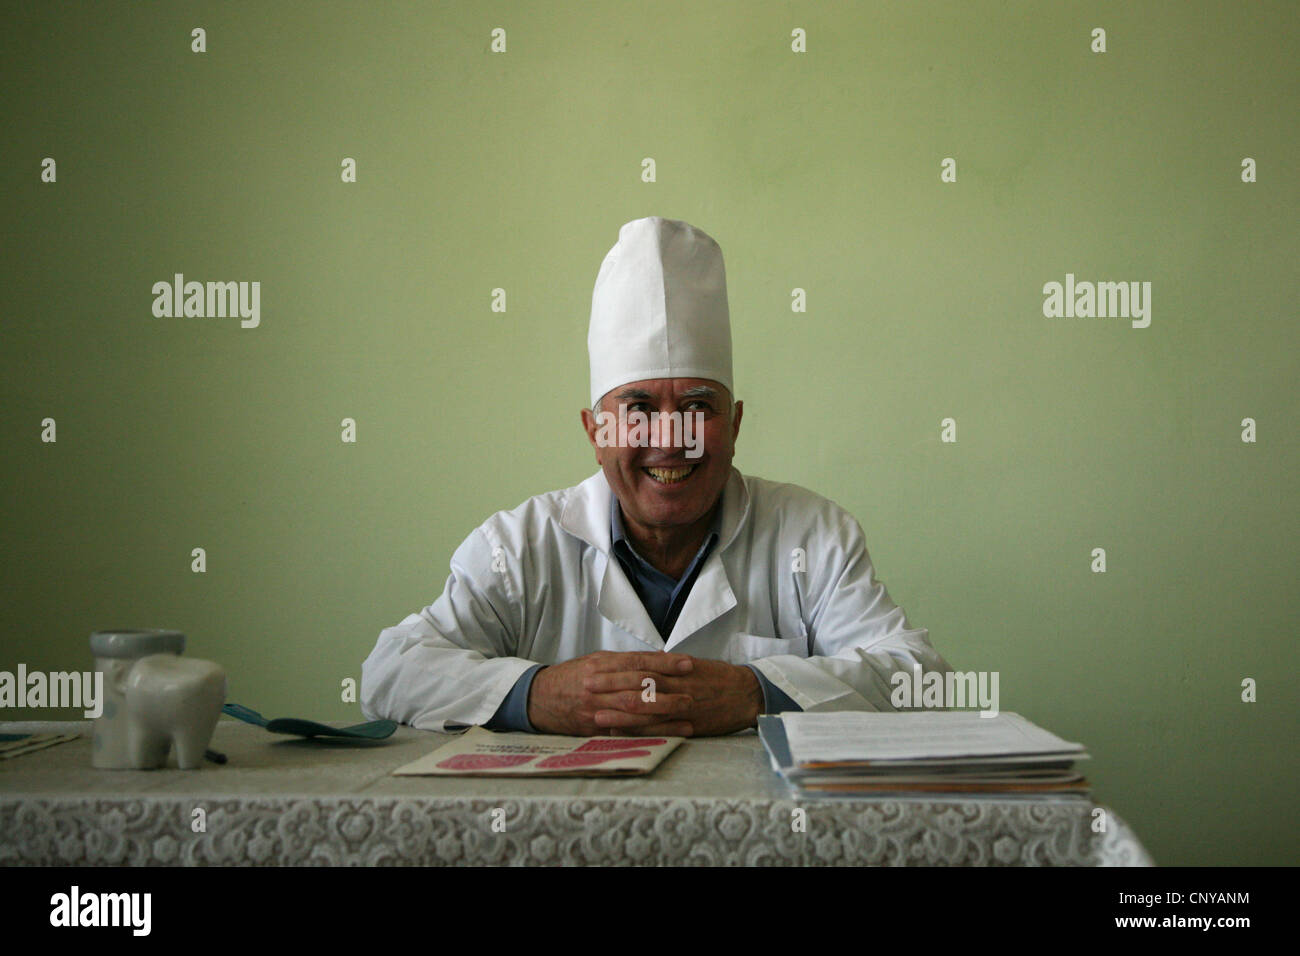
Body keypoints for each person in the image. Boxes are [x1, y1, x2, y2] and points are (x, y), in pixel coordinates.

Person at [361, 216, 953, 736]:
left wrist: (755, 692)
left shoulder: (811, 535)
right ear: (596, 433)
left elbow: (924, 681)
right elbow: (392, 672)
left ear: (736, 423)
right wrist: (537, 696)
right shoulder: (519, 547)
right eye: (638, 409)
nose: (670, 440)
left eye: (698, 407)